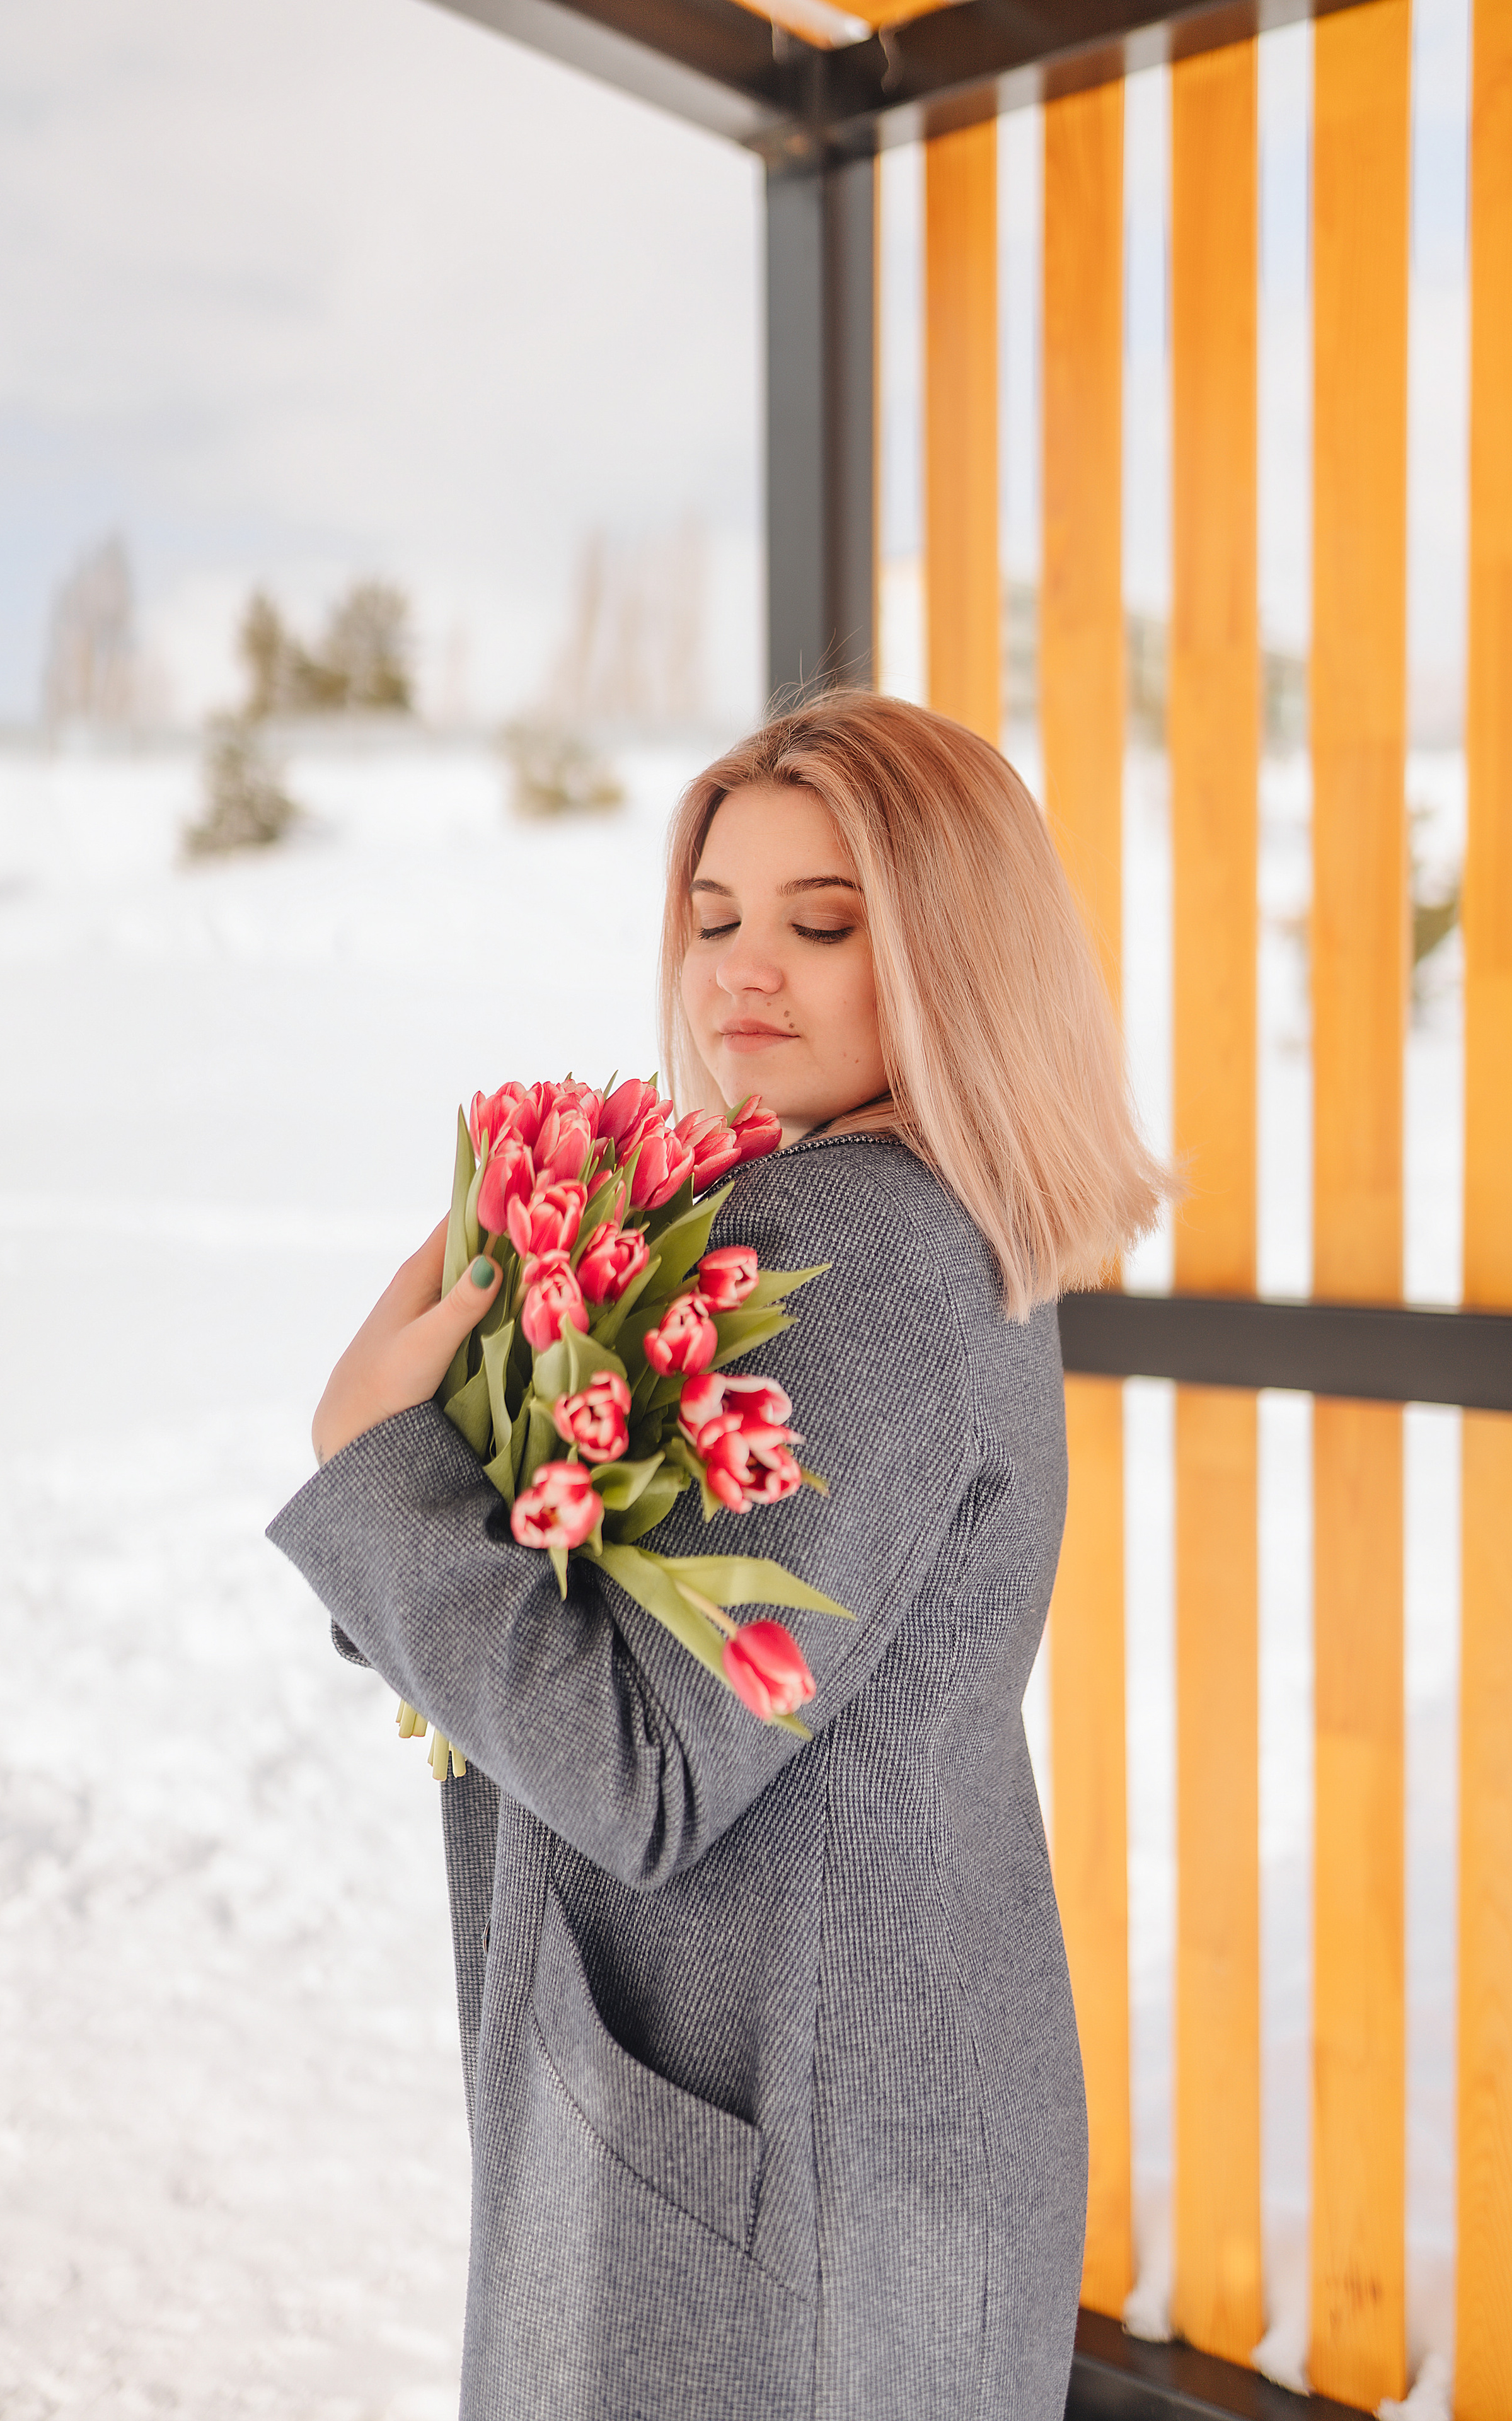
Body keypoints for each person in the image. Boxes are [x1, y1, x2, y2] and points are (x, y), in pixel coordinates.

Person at [269, 690, 1174, 2421]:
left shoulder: (853, 1241)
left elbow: (644, 1766)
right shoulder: (932, 1213)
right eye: (713, 919)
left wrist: (377, 1468)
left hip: (789, 2140)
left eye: (822, 925)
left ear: (955, 958)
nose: (742, 974)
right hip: (868, 2086)